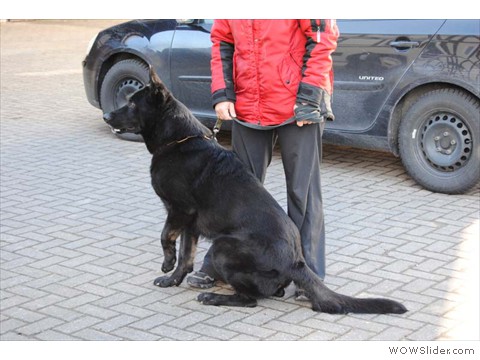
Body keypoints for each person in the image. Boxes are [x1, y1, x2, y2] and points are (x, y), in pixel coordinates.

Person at [187, 19, 339, 300]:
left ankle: (310, 275)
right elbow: (222, 40)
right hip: (248, 105)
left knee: (302, 192)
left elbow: (322, 38)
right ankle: (219, 264)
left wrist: (309, 97)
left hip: (298, 106)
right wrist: (223, 94)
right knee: (235, 194)